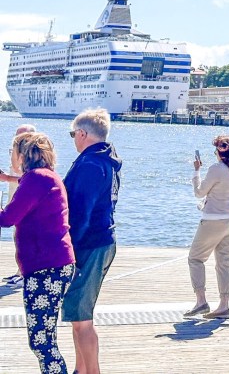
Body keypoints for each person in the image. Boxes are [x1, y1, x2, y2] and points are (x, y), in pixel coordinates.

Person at [0, 133, 76, 373]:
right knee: (44, 338)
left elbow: (7, 218)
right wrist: (7, 178)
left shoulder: (36, 180)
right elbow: (28, 186)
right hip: (53, 265)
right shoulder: (45, 177)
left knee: (42, 342)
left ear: (23, 154)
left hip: (46, 269)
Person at [61, 108, 122, 374]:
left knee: (82, 318)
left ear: (83, 133)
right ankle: (81, 369)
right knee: (78, 316)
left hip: (89, 244)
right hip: (103, 240)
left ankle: (91, 371)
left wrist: (69, 250)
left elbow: (81, 212)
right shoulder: (107, 159)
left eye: (73, 133)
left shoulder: (89, 164)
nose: (73, 138)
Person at [186, 135, 229, 320]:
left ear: (220, 152)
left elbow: (199, 193)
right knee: (224, 263)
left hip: (213, 221)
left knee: (195, 259)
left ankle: (201, 301)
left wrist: (196, 172)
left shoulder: (216, 169)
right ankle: (224, 306)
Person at [4, 123, 36, 286]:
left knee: (24, 234)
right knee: (17, 233)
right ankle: (20, 271)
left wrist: (7, 178)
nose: (18, 140)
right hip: (15, 194)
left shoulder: (33, 156)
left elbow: (31, 180)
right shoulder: (17, 150)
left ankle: (24, 273)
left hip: (24, 198)